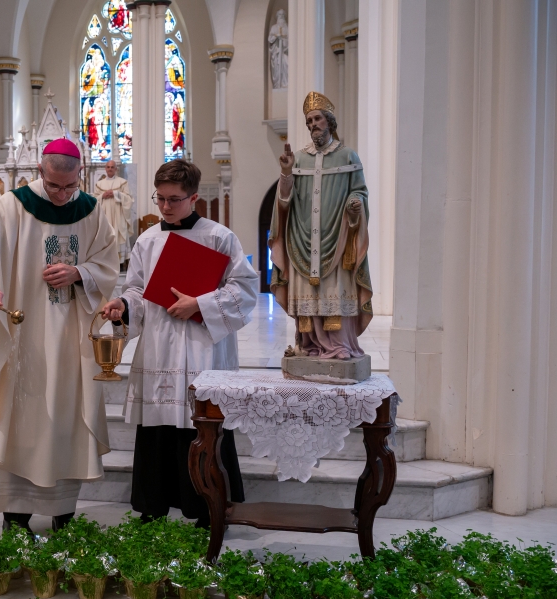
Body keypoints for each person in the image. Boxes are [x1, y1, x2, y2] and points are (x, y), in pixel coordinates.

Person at [0, 138, 119, 533]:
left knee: (66, 419)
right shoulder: (13, 205)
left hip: (73, 339)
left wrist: (80, 273)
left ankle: (64, 513)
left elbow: (108, 263)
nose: (62, 195)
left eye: (69, 186)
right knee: (21, 418)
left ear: (81, 175)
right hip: (21, 336)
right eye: (54, 185)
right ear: (40, 172)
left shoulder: (92, 212)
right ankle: (16, 516)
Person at [100, 159, 259, 527]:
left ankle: (206, 509)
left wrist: (199, 304)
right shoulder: (148, 240)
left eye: (174, 199)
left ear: (193, 198)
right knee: (157, 427)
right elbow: (137, 290)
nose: (166, 207)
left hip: (203, 346)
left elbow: (245, 289)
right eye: (160, 199)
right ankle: (152, 506)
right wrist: (123, 305)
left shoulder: (219, 237)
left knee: (201, 425)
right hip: (159, 344)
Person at [270, 91, 372, 358]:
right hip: (302, 237)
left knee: (335, 291)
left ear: (329, 121)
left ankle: (339, 345)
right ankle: (308, 345)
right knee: (306, 294)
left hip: (335, 238)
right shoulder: (299, 158)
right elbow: (284, 200)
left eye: (317, 118)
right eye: (309, 121)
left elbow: (360, 191)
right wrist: (286, 172)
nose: (313, 124)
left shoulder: (349, 156)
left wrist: (354, 205)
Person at [94, 160, 134, 266]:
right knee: (105, 235)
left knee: (118, 234)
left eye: (112, 167)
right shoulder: (99, 184)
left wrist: (116, 194)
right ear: (105, 169)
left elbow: (129, 199)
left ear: (116, 169)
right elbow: (93, 200)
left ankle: (120, 263)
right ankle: (105, 261)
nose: (110, 169)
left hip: (118, 215)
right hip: (105, 216)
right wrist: (102, 196)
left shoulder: (122, 182)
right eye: (108, 167)